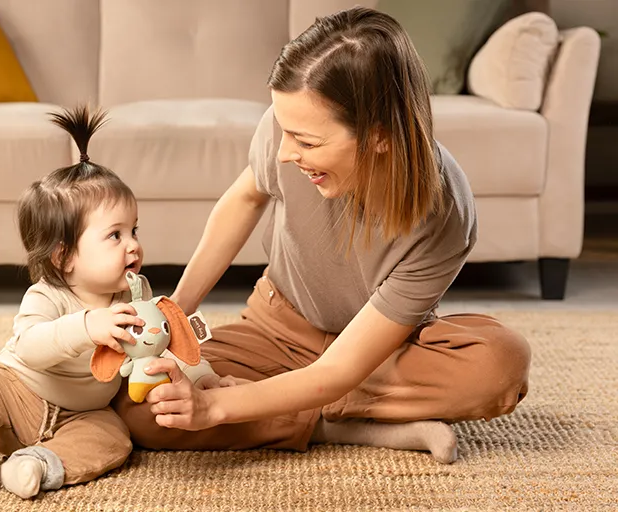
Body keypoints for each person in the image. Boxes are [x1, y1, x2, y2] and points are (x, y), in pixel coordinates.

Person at [113, 7, 531, 464]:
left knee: (500, 366)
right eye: (284, 130)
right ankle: (340, 426)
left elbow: (342, 368)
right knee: (140, 406)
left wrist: (217, 406)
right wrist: (177, 312)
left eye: (307, 142)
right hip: (278, 328)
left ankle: (284, 407)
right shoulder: (290, 125)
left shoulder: (444, 212)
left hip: (380, 353)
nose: (287, 153)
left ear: (379, 136)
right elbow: (245, 199)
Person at [0, 105, 223, 501]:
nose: (133, 244)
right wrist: (87, 326)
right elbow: (31, 347)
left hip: (84, 412)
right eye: (115, 235)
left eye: (133, 230)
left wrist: (204, 378)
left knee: (114, 437)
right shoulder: (47, 295)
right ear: (63, 257)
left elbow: (161, 343)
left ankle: (38, 463)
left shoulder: (136, 294)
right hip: (19, 394)